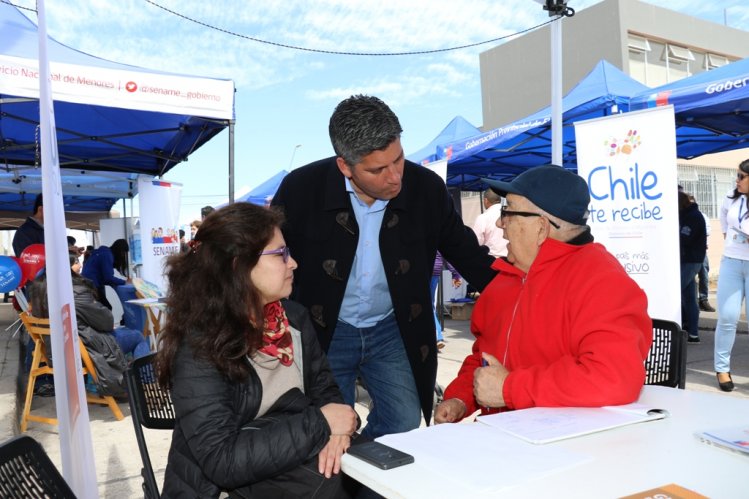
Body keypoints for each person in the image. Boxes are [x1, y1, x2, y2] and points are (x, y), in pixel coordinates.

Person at [271, 95, 496, 439]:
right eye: (377, 170)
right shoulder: (301, 190)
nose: (394, 178)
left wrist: (519, 289)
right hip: (326, 332)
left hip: (393, 328)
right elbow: (267, 258)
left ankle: (367, 484)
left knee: (404, 421)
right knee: (330, 431)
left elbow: (466, 253)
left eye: (399, 160)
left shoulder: (426, 189)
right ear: (345, 166)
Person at [155, 203, 356, 498]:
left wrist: (337, 432)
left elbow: (326, 391)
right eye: (281, 254)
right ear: (238, 265)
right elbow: (222, 461)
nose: (293, 263)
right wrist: (323, 423)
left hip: (292, 470)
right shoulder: (200, 344)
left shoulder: (294, 318)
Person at [434, 165, 652, 423]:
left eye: (508, 211)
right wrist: (460, 398)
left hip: (568, 445)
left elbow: (613, 377)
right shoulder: (506, 279)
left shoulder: (601, 281)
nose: (499, 222)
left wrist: (510, 389)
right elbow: (484, 359)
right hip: (507, 438)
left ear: (540, 227)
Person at [714, 159, 749, 392]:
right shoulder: (731, 196)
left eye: (741, 177)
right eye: (737, 175)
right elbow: (724, 222)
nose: (737, 180)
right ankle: (722, 368)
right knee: (727, 317)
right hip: (731, 262)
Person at [678, 191, 707, 343]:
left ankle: (686, 328)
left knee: (677, 294)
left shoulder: (692, 217)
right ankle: (692, 333)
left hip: (691, 260)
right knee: (689, 298)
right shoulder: (689, 215)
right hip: (689, 260)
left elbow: (685, 238)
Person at [81, 239, 130, 310]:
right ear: (120, 250)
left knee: (104, 308)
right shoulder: (107, 255)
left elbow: (104, 278)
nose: (123, 255)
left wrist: (117, 283)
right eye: (123, 253)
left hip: (87, 283)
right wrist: (125, 282)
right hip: (91, 285)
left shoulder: (101, 252)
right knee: (106, 309)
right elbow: (108, 278)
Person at [431, 252, 461, 350]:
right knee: (429, 305)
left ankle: (436, 336)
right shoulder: (437, 236)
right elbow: (446, 253)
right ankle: (436, 336)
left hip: (422, 270)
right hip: (434, 271)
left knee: (427, 306)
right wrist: (455, 274)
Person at [471, 188, 507, 257]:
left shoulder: (483, 218)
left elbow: (476, 243)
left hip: (492, 260)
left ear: (486, 200)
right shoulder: (510, 214)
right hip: (512, 259)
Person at [696, 203, 715, 312]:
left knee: (704, 274)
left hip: (701, 250)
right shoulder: (680, 216)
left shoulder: (703, 216)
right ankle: (691, 302)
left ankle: (703, 300)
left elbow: (706, 232)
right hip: (685, 251)